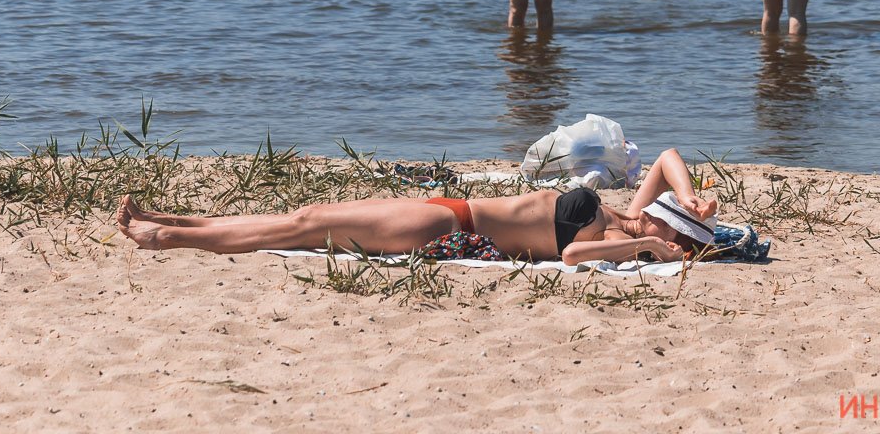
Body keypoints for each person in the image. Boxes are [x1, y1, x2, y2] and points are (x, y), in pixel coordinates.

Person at [116, 147, 718, 265]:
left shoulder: (618, 243)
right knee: (307, 216)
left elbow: (573, 258)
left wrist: (643, 246)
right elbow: (667, 155)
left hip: (441, 224)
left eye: (670, 214)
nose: (660, 205)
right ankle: (175, 220)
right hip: (447, 207)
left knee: (303, 227)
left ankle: (169, 238)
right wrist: (689, 197)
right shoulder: (624, 211)